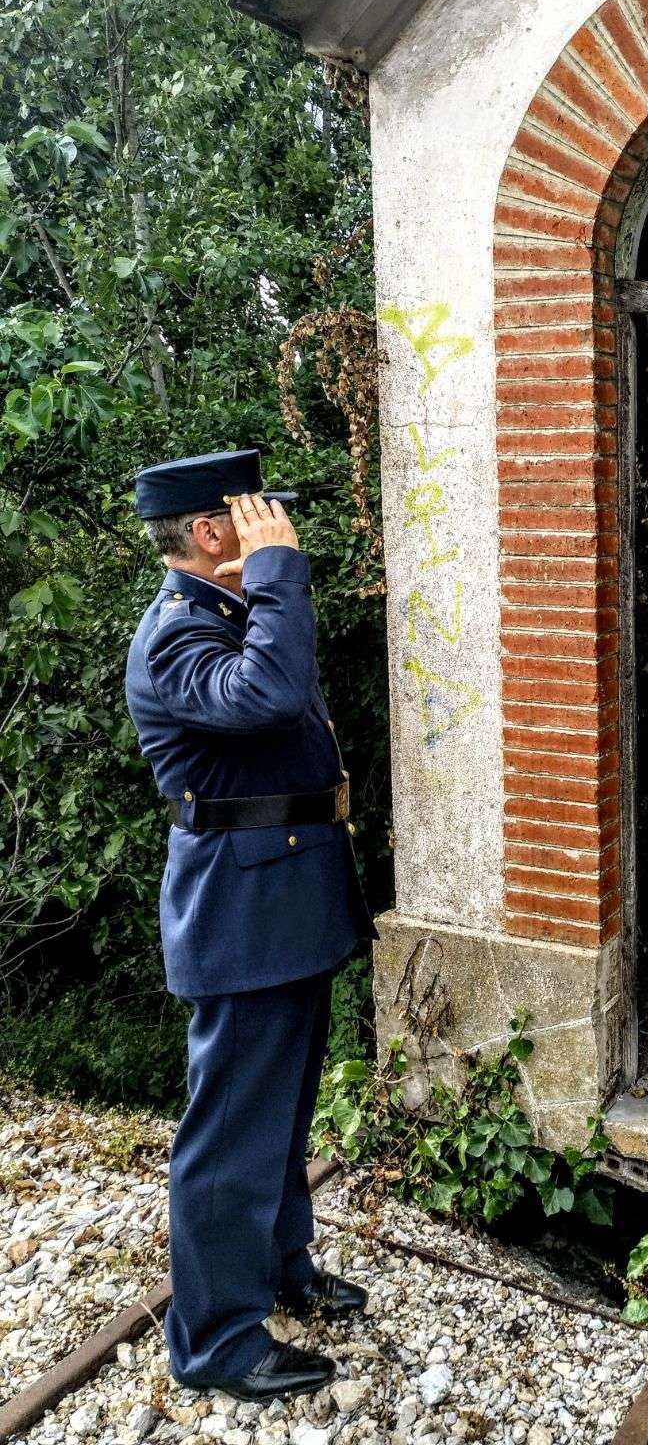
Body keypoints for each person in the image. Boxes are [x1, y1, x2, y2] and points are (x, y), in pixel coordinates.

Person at [125, 449, 376, 1400]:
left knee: (283, 1113)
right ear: (210, 533)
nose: (277, 524)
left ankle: (279, 1268)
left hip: (286, 904)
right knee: (229, 1134)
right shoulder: (174, 638)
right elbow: (266, 695)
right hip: (241, 918)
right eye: (257, 513)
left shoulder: (228, 614)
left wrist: (265, 586)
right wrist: (278, 574)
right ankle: (216, 1342)